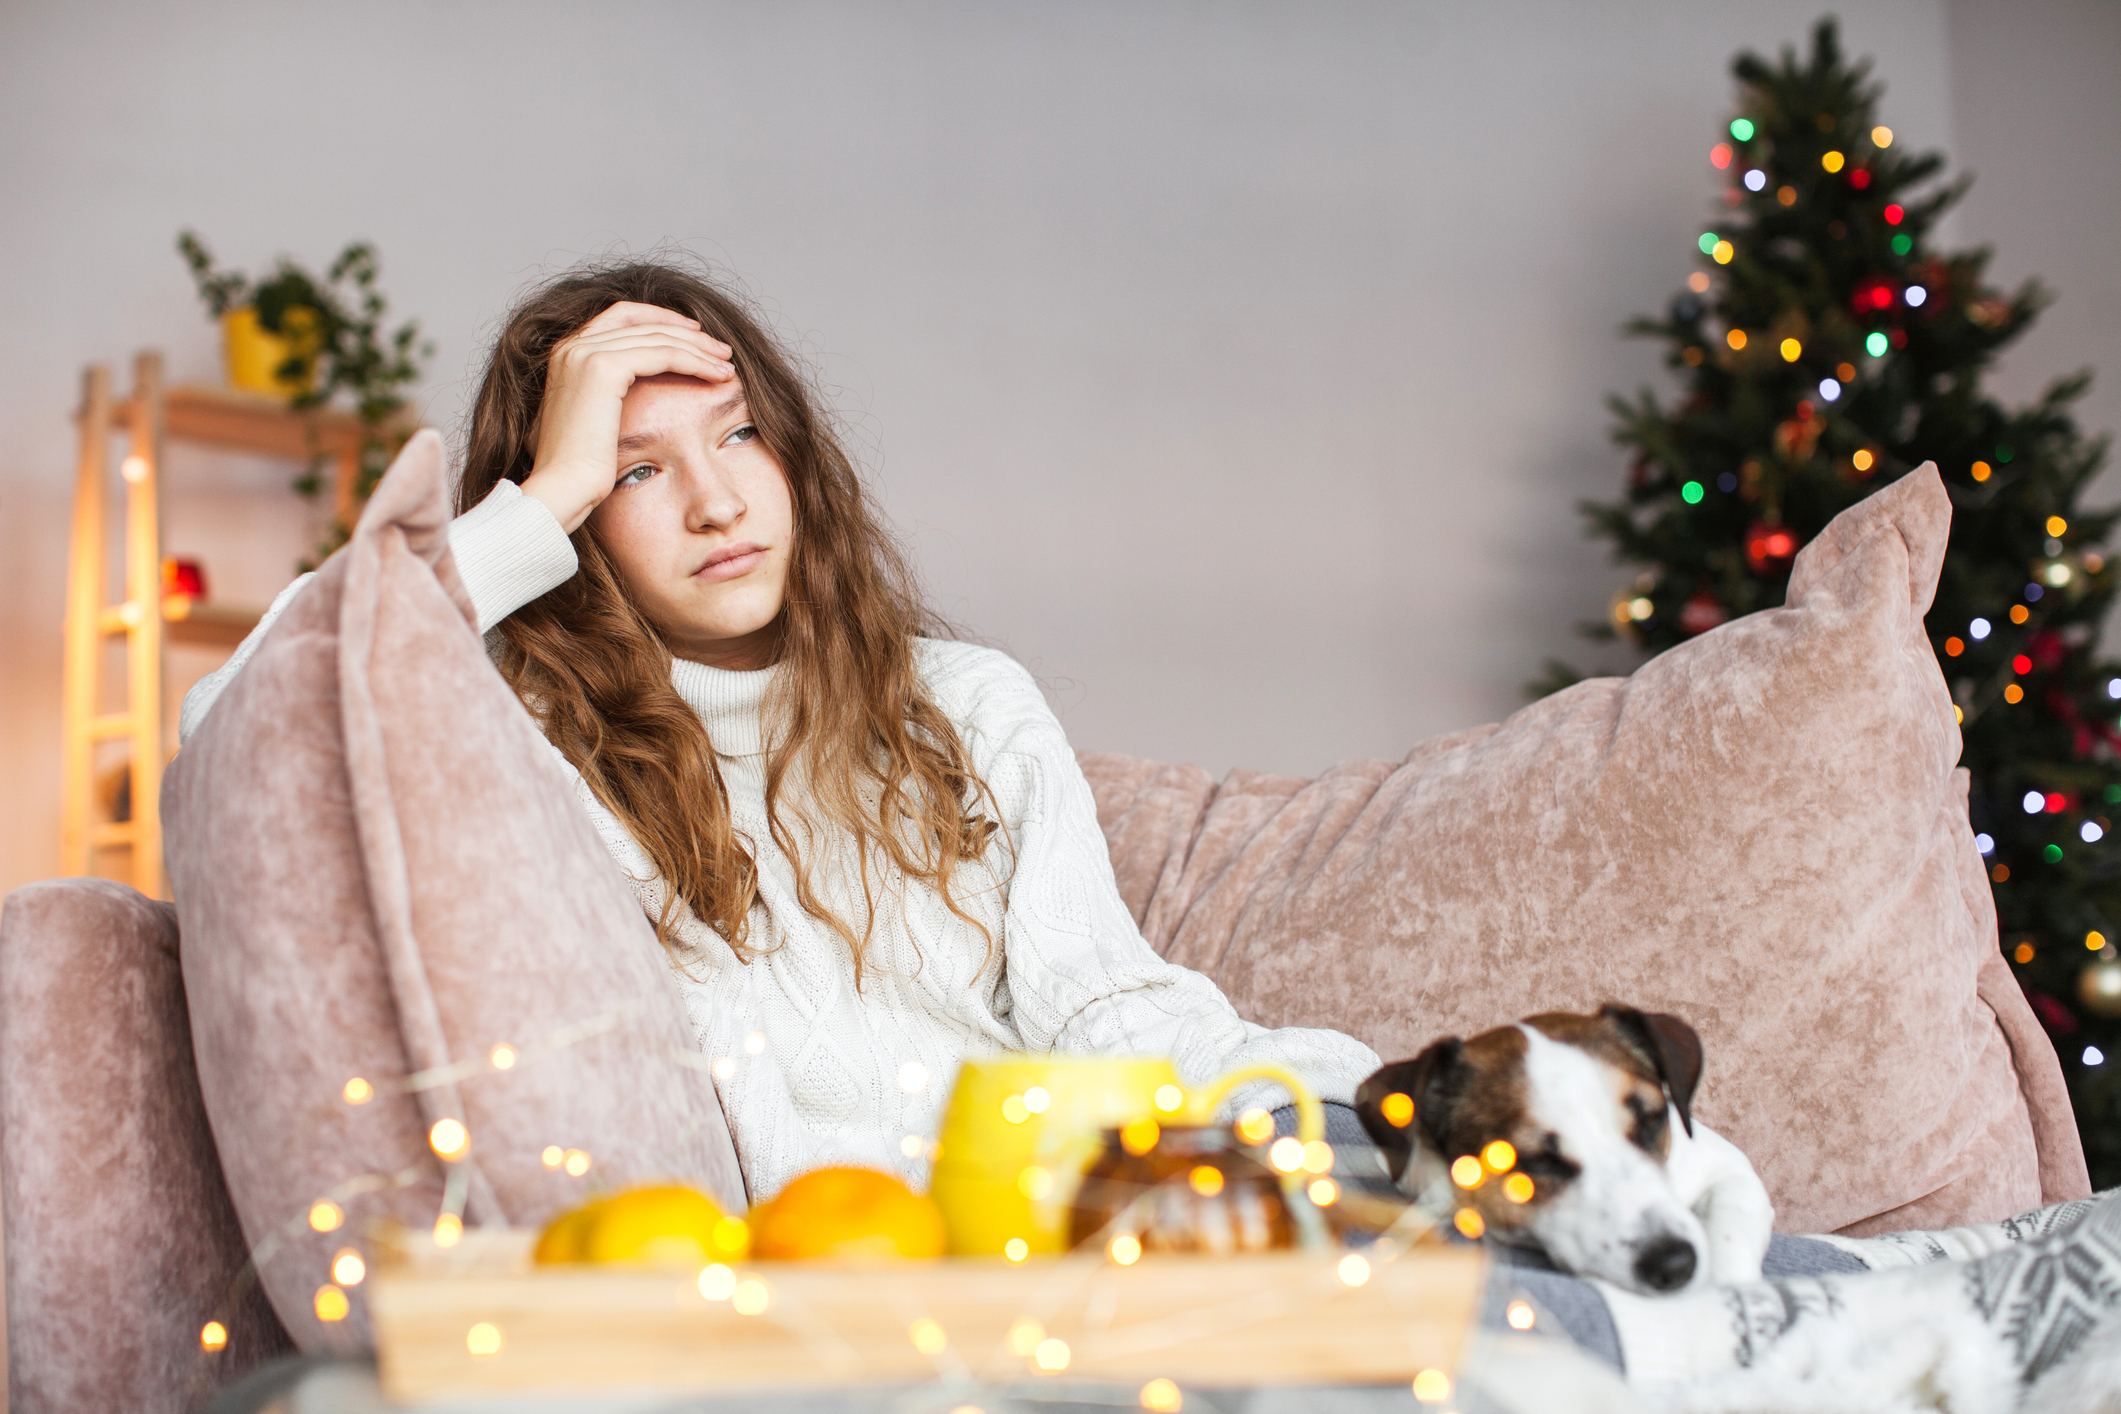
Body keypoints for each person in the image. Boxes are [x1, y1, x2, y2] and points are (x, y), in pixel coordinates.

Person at [181, 260, 2120, 1399]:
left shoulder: (958, 705)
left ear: (797, 449)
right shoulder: (528, 739)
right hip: (903, 1248)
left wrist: (1334, 1103)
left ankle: (1847, 1315)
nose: (709, 499)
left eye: (737, 432)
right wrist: (521, 510)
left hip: (1140, 1173)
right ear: (569, 507)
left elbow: (1109, 1003)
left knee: (1556, 1254)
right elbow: (256, 736)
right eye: (633, 467)